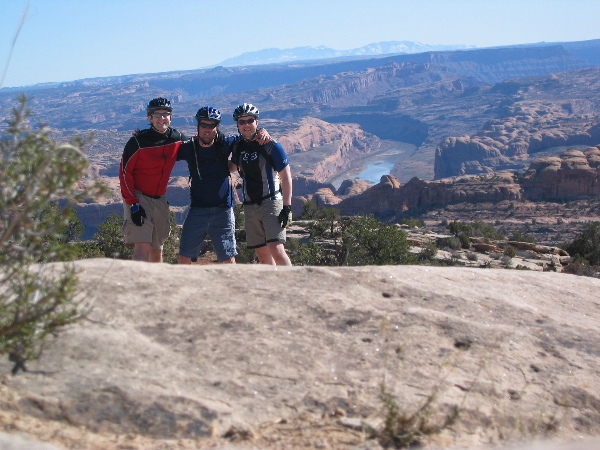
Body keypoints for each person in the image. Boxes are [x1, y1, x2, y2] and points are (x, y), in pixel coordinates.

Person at [177, 106, 271, 264]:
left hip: (223, 211)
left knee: (228, 258)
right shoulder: (188, 147)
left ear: (217, 127)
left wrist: (262, 130)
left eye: (211, 125)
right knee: (184, 255)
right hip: (197, 210)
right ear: (197, 126)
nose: (207, 129)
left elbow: (248, 134)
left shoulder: (226, 143)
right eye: (204, 125)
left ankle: (232, 287)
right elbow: (162, 152)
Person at [119, 97, 187, 262]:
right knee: (142, 247)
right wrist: (133, 203)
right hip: (139, 198)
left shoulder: (176, 137)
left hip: (160, 200)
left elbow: (202, 145)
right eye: (157, 114)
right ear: (150, 118)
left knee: (157, 249)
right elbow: (125, 173)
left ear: (171, 117)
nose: (162, 118)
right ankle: (139, 286)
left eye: (166, 114)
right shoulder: (137, 142)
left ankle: (157, 285)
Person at [230, 103, 293, 266]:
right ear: (237, 124)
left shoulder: (271, 145)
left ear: (257, 122)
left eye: (250, 120)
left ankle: (292, 286)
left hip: (271, 202)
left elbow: (286, 177)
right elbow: (232, 167)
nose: (246, 125)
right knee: (262, 253)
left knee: (276, 248)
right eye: (242, 122)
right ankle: (271, 287)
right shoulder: (238, 146)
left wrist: (287, 207)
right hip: (250, 206)